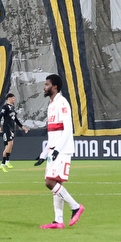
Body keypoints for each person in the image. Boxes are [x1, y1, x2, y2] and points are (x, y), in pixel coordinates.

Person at [37, 74, 84, 229]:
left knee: (49, 182)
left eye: (47, 84)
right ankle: (58, 221)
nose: (44, 87)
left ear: (55, 87)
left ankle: (76, 206)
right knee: (56, 184)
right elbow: (53, 133)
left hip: (62, 150)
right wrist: (44, 153)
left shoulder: (62, 103)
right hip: (54, 150)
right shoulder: (51, 105)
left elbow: (68, 129)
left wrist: (57, 150)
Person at [0, 93, 29, 172]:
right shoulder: (5, 107)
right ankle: (5, 162)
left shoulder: (12, 108)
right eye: (13, 98)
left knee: (9, 145)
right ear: (9, 98)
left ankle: (4, 163)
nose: (14, 99)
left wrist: (23, 127)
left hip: (11, 128)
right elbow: (0, 116)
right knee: (9, 144)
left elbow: (15, 119)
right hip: (6, 128)